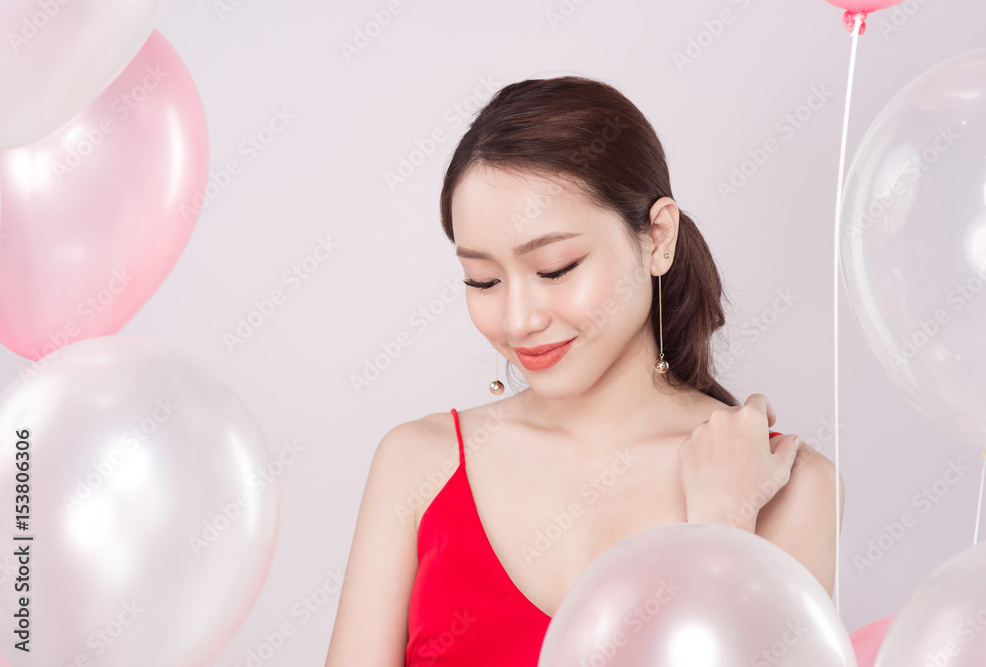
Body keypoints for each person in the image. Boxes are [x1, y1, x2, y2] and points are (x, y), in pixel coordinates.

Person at [325, 75, 845, 666]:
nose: (519, 320)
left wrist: (722, 530)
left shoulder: (786, 486)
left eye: (555, 267)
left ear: (658, 237)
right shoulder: (419, 464)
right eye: (483, 280)